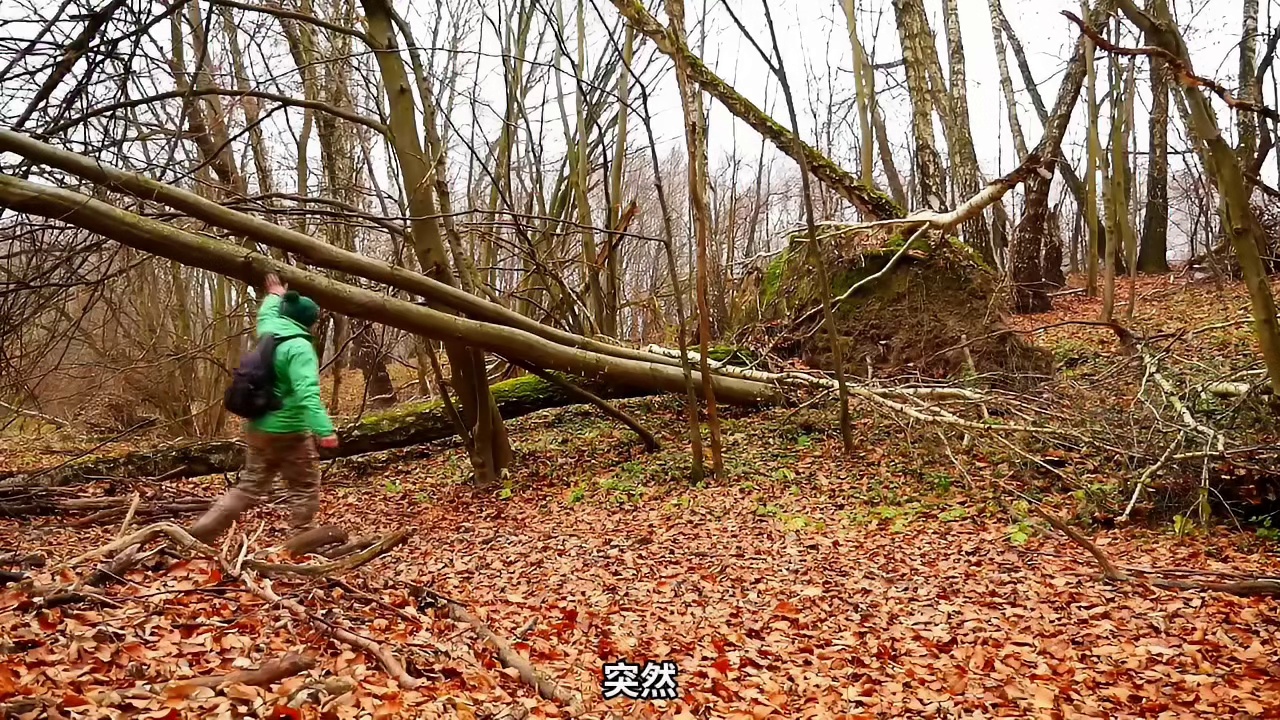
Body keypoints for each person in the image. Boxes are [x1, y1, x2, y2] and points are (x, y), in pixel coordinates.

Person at [189, 274, 339, 543]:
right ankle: (300, 538)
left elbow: (267, 314)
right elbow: (307, 393)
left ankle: (202, 531)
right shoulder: (299, 347)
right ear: (309, 322)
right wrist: (324, 429)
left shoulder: (271, 330)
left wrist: (275, 294)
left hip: (259, 427)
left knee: (248, 487)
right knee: (304, 487)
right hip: (289, 431)